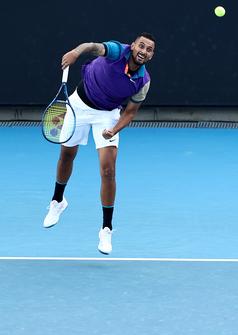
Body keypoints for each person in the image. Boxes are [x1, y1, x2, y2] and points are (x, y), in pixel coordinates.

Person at [43, 33, 156, 255]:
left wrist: (113, 130)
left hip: (108, 115)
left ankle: (106, 228)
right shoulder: (116, 51)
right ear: (133, 46)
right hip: (80, 105)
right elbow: (92, 46)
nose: (143, 51)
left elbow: (130, 113)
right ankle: (57, 200)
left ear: (151, 55)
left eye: (149, 49)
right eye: (141, 45)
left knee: (108, 171)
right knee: (67, 155)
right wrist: (75, 53)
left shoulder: (143, 82)